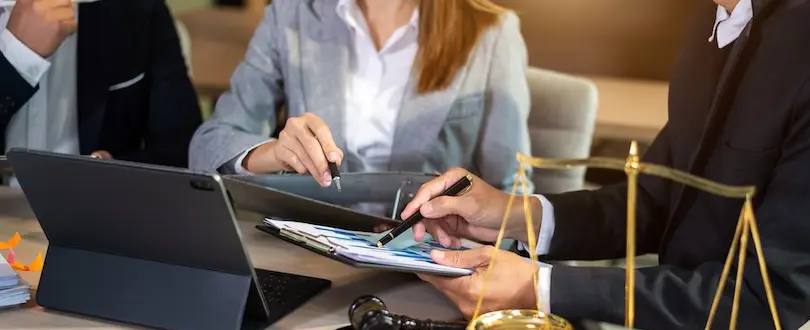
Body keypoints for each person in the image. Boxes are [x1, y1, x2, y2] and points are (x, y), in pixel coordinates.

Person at [402, 0, 810, 330]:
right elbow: (657, 199)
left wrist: (540, 287)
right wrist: (515, 214)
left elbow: (766, 296)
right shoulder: (715, 20)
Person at [188, 0, 531, 195]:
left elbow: (512, 193)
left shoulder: (493, 33)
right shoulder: (291, 14)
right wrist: (275, 153)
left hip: (430, 258)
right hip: (311, 248)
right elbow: (208, 146)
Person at [0, 0, 201, 174]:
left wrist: (117, 175)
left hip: (94, 204)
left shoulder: (140, 10)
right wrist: (18, 58)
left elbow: (182, 152)